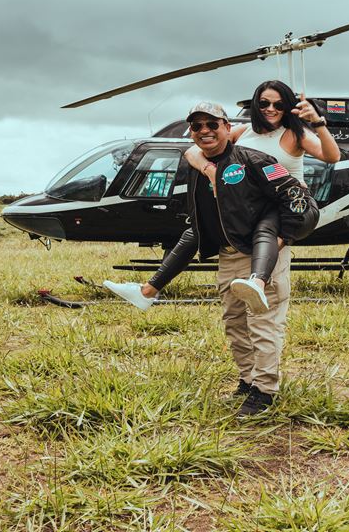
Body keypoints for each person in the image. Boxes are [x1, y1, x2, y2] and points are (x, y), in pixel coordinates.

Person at [103, 102, 320, 416]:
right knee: (235, 325)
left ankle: (264, 391)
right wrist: (153, 284)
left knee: (263, 324)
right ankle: (248, 382)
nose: (205, 131)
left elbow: (297, 199)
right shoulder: (195, 166)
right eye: (197, 126)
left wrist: (281, 236)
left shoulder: (254, 160)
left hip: (262, 255)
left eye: (212, 124)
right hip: (228, 255)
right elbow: (200, 223)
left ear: (227, 128)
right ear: (191, 132)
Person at [184, 80, 340, 305]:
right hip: (249, 209)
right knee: (193, 232)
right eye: (264, 103)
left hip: (281, 206)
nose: (271, 109)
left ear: (287, 107)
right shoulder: (243, 131)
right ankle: (149, 289)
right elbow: (193, 150)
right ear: (256, 105)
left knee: (265, 237)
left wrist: (317, 122)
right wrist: (211, 172)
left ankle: (259, 282)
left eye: (279, 105)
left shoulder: (296, 134)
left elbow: (332, 156)